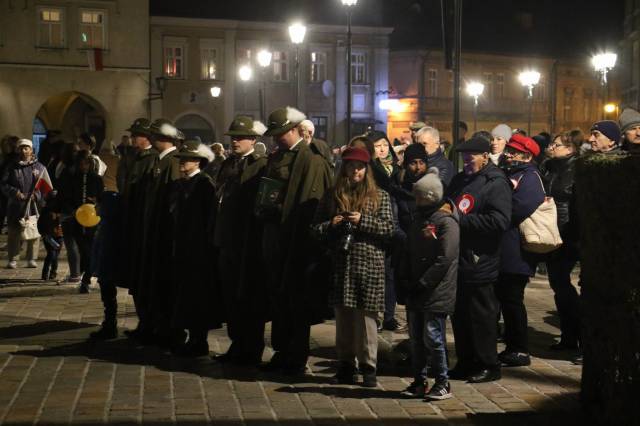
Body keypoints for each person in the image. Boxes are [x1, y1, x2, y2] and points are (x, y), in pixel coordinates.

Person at [259, 106, 332, 375]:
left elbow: (309, 206)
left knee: (296, 303)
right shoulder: (280, 157)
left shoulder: (310, 159)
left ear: (293, 130)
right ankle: (282, 350)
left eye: (280, 133)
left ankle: (296, 355)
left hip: (297, 243)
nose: (276, 139)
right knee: (279, 299)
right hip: (277, 239)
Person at [312, 147, 394, 387]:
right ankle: (346, 365)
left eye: (359, 166)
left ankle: (369, 368)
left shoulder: (380, 196)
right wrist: (332, 224)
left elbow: (389, 229)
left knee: (367, 321)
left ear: (366, 169)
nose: (355, 170)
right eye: (350, 166)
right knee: (344, 319)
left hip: (369, 265)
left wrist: (363, 221)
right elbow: (314, 229)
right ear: (344, 168)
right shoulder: (332, 195)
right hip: (342, 264)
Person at [446, 136, 511, 383]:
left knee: (481, 315)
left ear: (485, 156)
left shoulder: (495, 182)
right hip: (458, 257)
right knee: (460, 313)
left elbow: (500, 221)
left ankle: (488, 364)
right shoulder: (462, 179)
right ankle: (466, 360)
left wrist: (462, 220)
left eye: (472, 155)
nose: (467, 159)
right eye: (464, 155)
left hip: (480, 258)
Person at [399, 168, 459, 400]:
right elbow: (409, 249)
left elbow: (446, 257)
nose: (415, 199)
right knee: (416, 338)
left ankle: (443, 382)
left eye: (419, 196)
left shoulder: (446, 221)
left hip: (436, 289)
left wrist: (424, 282)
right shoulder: (420, 218)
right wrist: (406, 277)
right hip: (417, 286)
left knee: (433, 337)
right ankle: (419, 381)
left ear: (429, 197)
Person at [213, 116, 269, 366]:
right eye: (233, 137)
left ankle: (251, 348)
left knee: (250, 298)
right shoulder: (227, 165)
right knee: (230, 297)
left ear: (253, 140)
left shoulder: (260, 165)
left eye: (240, 137)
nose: (235, 141)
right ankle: (237, 344)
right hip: (228, 239)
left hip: (249, 241)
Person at [495, 134, 545, 367]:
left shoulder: (530, 177)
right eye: (509, 151)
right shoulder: (510, 173)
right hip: (504, 248)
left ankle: (519, 349)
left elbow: (519, 208)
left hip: (517, 251)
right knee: (504, 299)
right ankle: (510, 345)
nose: (508, 155)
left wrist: (496, 213)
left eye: (514, 152)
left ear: (527, 156)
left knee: (513, 300)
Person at [171, 140, 221, 356]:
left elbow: (207, 219)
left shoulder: (204, 184)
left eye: (188, 159)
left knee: (198, 295)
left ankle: (199, 340)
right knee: (185, 294)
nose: (182, 163)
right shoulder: (182, 183)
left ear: (198, 162)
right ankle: (189, 336)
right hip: (184, 248)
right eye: (182, 158)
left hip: (199, 250)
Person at [137, 119, 182, 347]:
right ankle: (156, 326)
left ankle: (166, 329)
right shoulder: (159, 160)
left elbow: (172, 203)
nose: (151, 138)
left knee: (164, 283)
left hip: (163, 234)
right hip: (153, 231)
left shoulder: (172, 162)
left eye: (155, 135)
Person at [540, 132, 581, 351]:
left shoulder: (577, 168)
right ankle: (569, 335)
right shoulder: (549, 166)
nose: (552, 147)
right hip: (550, 230)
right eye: (552, 144)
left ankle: (574, 333)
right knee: (558, 283)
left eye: (557, 145)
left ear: (570, 148)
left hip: (567, 233)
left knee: (562, 282)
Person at [120, 118, 159, 341]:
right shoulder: (134, 158)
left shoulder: (151, 159)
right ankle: (144, 322)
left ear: (147, 137)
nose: (133, 138)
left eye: (137, 134)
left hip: (143, 225)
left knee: (145, 280)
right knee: (136, 278)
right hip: (133, 224)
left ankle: (149, 323)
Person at [367, 130, 402, 331]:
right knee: (378, 273)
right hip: (378, 221)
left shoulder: (396, 167)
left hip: (395, 223)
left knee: (391, 274)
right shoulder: (371, 168)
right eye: (377, 146)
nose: (382, 149)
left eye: (384, 145)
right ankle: (376, 316)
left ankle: (389, 315)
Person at [57, 150, 104, 293]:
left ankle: (86, 279)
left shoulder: (96, 178)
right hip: (76, 220)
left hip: (92, 221)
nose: (84, 166)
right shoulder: (71, 179)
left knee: (90, 250)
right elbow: (64, 198)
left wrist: (96, 202)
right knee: (83, 250)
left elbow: (101, 197)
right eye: (81, 164)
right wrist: (73, 210)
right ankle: (85, 277)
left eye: (86, 163)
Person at [1, 139, 48, 269]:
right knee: (14, 231)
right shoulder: (11, 167)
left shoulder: (39, 167)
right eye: (21, 148)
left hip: (33, 205)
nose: (23, 150)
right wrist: (15, 192)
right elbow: (4, 184)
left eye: (26, 148)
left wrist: (36, 195)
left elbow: (45, 186)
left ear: (31, 150)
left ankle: (32, 258)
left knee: (33, 231)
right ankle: (13, 258)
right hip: (15, 205)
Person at [37, 201, 63, 281]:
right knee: (51, 254)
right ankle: (45, 274)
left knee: (55, 256)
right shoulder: (46, 212)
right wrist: (43, 234)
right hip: (48, 236)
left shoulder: (62, 211)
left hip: (59, 236)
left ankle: (53, 272)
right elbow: (40, 223)